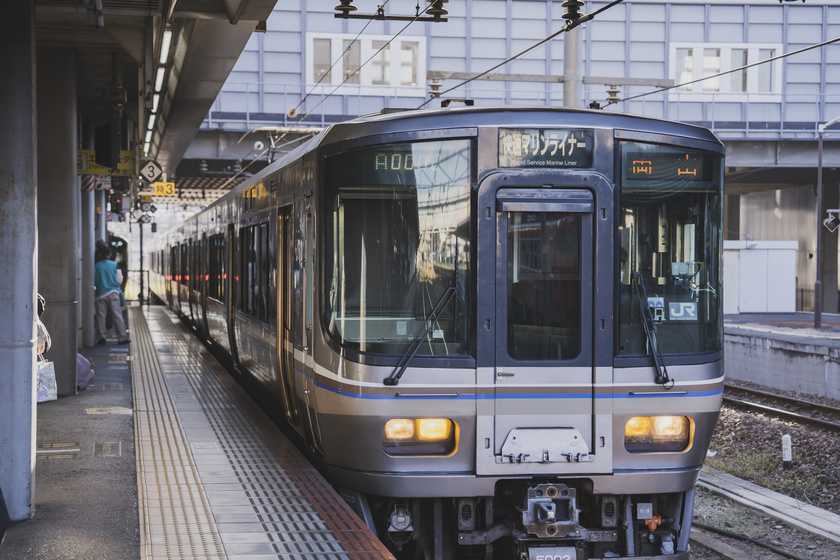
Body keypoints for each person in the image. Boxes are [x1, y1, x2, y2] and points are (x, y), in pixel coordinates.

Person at [94, 240, 129, 345]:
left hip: (100, 294)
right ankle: (122, 338)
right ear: (110, 254)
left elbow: (93, 279)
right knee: (117, 315)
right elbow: (119, 280)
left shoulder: (96, 266)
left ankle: (102, 338)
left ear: (100, 254)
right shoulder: (115, 265)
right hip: (113, 293)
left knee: (101, 317)